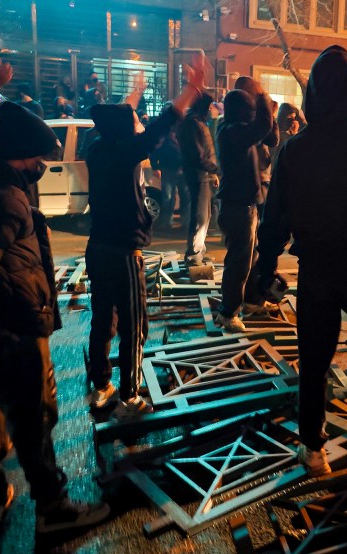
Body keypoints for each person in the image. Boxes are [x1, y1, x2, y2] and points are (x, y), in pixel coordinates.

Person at [0, 102, 111, 533]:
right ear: (22, 154)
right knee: (34, 419)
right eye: (39, 158)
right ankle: (53, 508)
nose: (42, 166)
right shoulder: (5, 200)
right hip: (13, 331)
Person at [256, 45, 347, 477]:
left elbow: (274, 219)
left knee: (315, 357)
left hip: (316, 267)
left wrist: (265, 271)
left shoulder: (293, 149)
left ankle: (313, 446)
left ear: (314, 93)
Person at [85, 55, 209, 418]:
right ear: (127, 133)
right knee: (134, 325)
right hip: (125, 252)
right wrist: (190, 91)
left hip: (98, 247)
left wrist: (136, 93)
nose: (140, 125)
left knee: (101, 319)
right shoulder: (125, 153)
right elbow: (158, 127)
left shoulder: (99, 148)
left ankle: (102, 386)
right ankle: (130, 396)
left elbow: (124, 121)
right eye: (135, 122)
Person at [212, 77, 276, 332]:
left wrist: (264, 103)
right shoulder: (231, 132)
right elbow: (261, 127)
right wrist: (263, 98)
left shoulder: (236, 130)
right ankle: (228, 313)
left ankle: (251, 300)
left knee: (250, 258)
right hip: (237, 207)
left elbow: (269, 134)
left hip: (243, 205)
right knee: (238, 263)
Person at [177, 91, 220, 266]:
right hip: (197, 174)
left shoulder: (198, 123)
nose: (212, 110)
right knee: (199, 215)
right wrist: (215, 169)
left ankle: (199, 250)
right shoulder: (192, 124)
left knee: (205, 214)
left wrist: (213, 173)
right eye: (210, 107)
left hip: (204, 174)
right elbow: (197, 154)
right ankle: (193, 253)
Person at [150, 128, 184, 233]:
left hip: (181, 169)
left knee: (182, 197)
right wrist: (155, 166)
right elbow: (155, 151)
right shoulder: (166, 134)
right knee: (168, 197)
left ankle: (184, 224)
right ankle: (167, 223)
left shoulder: (183, 131)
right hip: (169, 169)